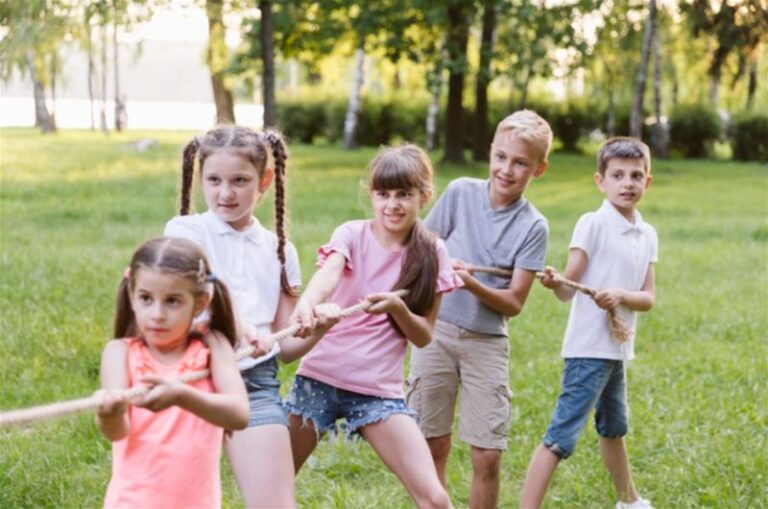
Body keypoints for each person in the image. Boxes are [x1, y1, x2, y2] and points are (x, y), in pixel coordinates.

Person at [285, 144, 462, 508]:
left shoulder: (432, 253)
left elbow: (424, 336)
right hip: (319, 378)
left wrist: (397, 306)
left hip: (378, 393)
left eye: (404, 195)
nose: (392, 205)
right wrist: (307, 305)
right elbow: (329, 274)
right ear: (372, 194)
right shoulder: (351, 233)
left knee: (436, 499)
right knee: (271, 485)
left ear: (424, 196)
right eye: (383, 194)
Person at [164, 126, 329, 508]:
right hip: (191, 380)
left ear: (265, 180)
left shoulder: (280, 251)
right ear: (200, 178)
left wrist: (320, 326)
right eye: (215, 180)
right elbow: (204, 289)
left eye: (240, 181)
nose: (226, 193)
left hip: (254, 383)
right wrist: (241, 328)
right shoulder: (185, 231)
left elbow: (287, 347)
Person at [405, 109, 552, 508]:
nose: (506, 169)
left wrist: (469, 280)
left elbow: (514, 303)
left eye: (520, 163)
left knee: (486, 453)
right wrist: (438, 263)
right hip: (435, 333)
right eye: (501, 157)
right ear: (490, 151)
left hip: (486, 342)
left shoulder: (533, 226)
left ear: (538, 169)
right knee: (431, 442)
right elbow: (422, 246)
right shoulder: (460, 193)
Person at [519, 137, 657, 509]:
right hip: (588, 350)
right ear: (601, 181)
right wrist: (555, 281)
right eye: (617, 175)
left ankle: (629, 500)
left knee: (614, 427)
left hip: (616, 351)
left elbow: (647, 298)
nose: (627, 183)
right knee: (561, 435)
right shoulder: (592, 223)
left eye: (635, 175)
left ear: (647, 182)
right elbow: (567, 289)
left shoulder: (647, 233)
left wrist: (620, 295)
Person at [96, 236, 249, 509]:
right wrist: (110, 414)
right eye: (146, 298)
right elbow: (117, 433)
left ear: (200, 302)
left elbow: (238, 414)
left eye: (173, 301)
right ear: (132, 296)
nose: (157, 314)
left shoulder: (211, 347)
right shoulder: (119, 353)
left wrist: (182, 396)